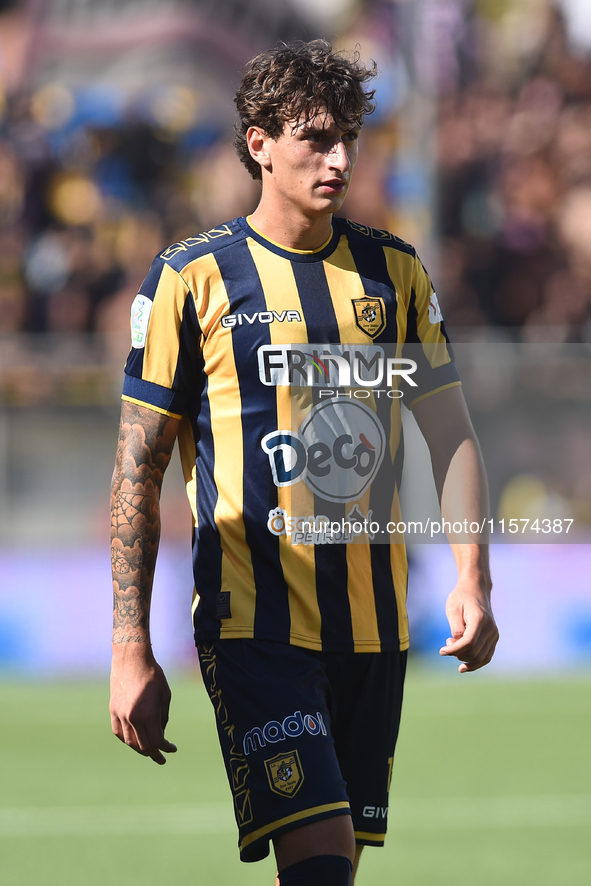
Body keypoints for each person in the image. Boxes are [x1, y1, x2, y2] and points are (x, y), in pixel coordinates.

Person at [109, 39, 499, 886]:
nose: (340, 159)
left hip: (373, 631)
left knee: (333, 872)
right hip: (255, 630)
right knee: (317, 867)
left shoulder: (393, 274)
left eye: (349, 139)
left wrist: (473, 576)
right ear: (259, 144)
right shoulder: (191, 280)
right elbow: (137, 469)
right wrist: (129, 645)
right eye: (316, 139)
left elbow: (452, 433)